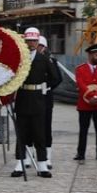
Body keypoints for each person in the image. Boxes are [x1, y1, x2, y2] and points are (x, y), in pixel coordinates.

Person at [11, 27, 55, 177]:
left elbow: (55, 77)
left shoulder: (44, 58)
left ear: (38, 42)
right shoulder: (18, 58)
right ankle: (20, 163)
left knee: (39, 133)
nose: (31, 43)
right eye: (29, 41)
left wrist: (45, 87)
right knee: (21, 133)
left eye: (34, 41)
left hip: (38, 99)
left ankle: (42, 165)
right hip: (22, 97)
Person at [74, 44, 97, 161]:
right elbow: (81, 85)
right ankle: (80, 153)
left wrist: (96, 96)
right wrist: (90, 96)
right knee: (83, 130)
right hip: (85, 105)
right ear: (90, 55)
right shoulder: (80, 69)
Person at [37, 35, 62, 168]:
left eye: (41, 46)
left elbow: (58, 78)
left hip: (46, 98)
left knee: (46, 127)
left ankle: (47, 157)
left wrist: (48, 86)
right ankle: (30, 155)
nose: (38, 48)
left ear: (45, 47)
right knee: (33, 127)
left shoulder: (50, 60)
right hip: (33, 97)